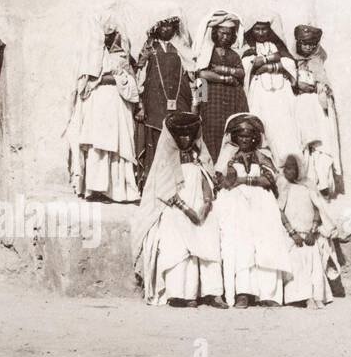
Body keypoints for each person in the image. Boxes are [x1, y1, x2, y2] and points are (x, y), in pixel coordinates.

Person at [131, 112, 223, 307]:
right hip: (176, 206)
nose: (186, 138)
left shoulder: (199, 153)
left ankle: (212, 292)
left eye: (189, 134)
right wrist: (187, 210)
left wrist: (206, 204)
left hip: (200, 205)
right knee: (176, 233)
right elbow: (164, 188)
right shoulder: (166, 155)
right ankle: (180, 293)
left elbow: (207, 177)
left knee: (210, 229)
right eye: (181, 135)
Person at [212, 113, 293, 308]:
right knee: (241, 245)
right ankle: (243, 293)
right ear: (235, 137)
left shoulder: (263, 157)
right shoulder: (229, 157)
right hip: (236, 205)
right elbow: (224, 181)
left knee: (266, 243)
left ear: (255, 137)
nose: (245, 139)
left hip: (262, 204)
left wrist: (242, 180)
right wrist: (233, 176)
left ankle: (268, 293)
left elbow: (269, 179)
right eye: (241, 136)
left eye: (248, 136)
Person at [64, 11, 140, 203]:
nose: (108, 38)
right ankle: (97, 189)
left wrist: (111, 77)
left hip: (118, 104)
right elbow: (85, 81)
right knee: (99, 146)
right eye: (105, 35)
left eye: (111, 34)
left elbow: (130, 76)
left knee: (119, 145)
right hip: (98, 104)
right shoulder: (89, 55)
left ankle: (119, 191)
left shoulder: (122, 53)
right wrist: (109, 77)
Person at [135, 10, 194, 176]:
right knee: (156, 137)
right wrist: (141, 106)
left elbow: (196, 76)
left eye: (170, 25)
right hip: (155, 101)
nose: (166, 29)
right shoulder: (149, 48)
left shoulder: (183, 48)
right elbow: (140, 76)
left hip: (181, 99)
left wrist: (199, 102)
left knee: (179, 137)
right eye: (163, 25)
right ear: (156, 27)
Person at [277, 154, 340, 308]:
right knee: (297, 263)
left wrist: (313, 231)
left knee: (314, 264)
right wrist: (293, 233)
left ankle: (317, 295)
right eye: (286, 168)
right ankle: (305, 297)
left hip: (309, 234)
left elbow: (318, 209)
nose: (288, 171)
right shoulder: (283, 185)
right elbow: (280, 212)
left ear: (299, 170)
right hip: (292, 235)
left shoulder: (308, 185)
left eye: (292, 168)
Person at [240, 14, 301, 170]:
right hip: (261, 94)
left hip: (282, 94)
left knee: (286, 127)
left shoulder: (278, 46)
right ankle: (270, 167)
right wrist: (273, 61)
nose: (261, 33)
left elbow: (289, 63)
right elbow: (247, 65)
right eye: (257, 29)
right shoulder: (248, 48)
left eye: (264, 29)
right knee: (265, 127)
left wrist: (266, 64)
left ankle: (290, 166)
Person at [291, 24, 342, 195]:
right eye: (305, 43)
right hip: (299, 107)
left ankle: (323, 183)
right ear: (298, 42)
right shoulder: (290, 61)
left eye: (312, 44)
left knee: (320, 145)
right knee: (303, 143)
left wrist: (320, 88)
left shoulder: (318, 61)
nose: (308, 47)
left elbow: (325, 85)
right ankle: (306, 183)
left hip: (316, 109)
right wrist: (297, 85)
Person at [193, 10, 248, 161]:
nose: (225, 37)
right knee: (211, 132)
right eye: (222, 33)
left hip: (232, 99)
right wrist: (226, 78)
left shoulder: (234, 55)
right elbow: (202, 75)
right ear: (215, 33)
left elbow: (241, 73)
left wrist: (219, 70)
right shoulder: (206, 53)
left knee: (231, 132)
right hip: (210, 99)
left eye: (229, 34)